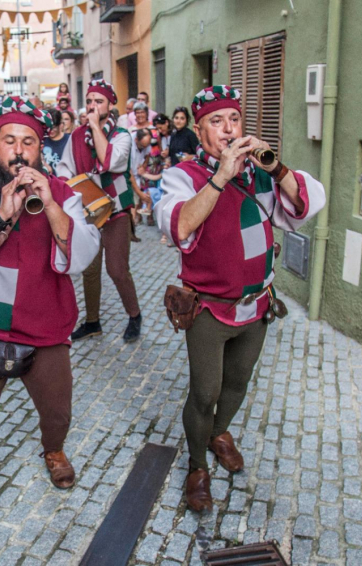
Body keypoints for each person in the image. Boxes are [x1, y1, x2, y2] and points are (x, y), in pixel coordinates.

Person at [155, 85, 326, 512]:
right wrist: (221, 177)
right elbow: (180, 226)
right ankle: (197, 466)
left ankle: (219, 433)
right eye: (217, 121)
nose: (229, 129)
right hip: (209, 309)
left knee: (237, 383)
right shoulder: (184, 176)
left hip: (258, 304)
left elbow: (306, 202)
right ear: (199, 130)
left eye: (234, 119)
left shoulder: (259, 173)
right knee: (204, 393)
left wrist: (276, 166)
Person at [0, 97, 100, 551]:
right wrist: (2, 213)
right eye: (9, 140)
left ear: (39, 147)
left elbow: (84, 255)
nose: (18, 150)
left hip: (46, 318)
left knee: (58, 411)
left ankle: (52, 448)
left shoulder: (67, 191)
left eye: (27, 141)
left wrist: (50, 203)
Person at [56, 79, 143, 343]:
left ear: (110, 104)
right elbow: (64, 169)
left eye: (99, 101)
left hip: (116, 211)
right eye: (90, 100)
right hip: (89, 213)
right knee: (90, 270)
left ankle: (134, 315)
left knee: (117, 269)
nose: (93, 105)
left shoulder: (121, 136)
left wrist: (95, 126)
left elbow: (110, 161)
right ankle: (92, 321)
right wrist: (72, 188)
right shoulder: (75, 137)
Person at [41, 109, 70, 174]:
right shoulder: (42, 140)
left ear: (61, 125)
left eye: (54, 127)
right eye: (48, 127)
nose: (50, 130)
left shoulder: (69, 141)